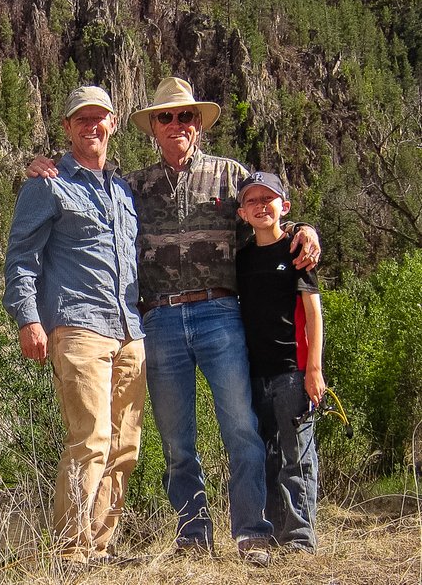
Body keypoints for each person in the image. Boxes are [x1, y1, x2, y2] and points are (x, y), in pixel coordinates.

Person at [28, 76, 321, 567]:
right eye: (166, 117)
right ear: (152, 128)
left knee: (241, 431)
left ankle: (251, 534)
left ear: (198, 125)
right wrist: (42, 166)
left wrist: (300, 229)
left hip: (220, 314)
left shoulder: (230, 175)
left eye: (186, 116)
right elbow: (82, 182)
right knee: (176, 441)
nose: (176, 124)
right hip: (158, 321)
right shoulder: (133, 186)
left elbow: (266, 209)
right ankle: (193, 537)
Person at [3, 86, 146, 564]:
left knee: (124, 448)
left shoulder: (124, 190)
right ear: (67, 127)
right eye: (80, 119)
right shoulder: (46, 184)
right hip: (78, 327)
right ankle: (69, 553)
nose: (91, 126)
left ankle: (99, 548)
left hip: (131, 332)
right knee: (90, 440)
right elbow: (22, 257)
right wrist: (28, 319)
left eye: (99, 117)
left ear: (112, 124)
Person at [236, 171, 325, 554]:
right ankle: (272, 532)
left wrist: (314, 371)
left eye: (268, 199)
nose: (260, 206)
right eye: (252, 200)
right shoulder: (241, 259)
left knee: (298, 457)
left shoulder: (297, 253)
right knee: (267, 457)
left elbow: (314, 312)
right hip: (253, 375)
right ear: (242, 212)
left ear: (283, 206)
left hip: (293, 372)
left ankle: (301, 539)